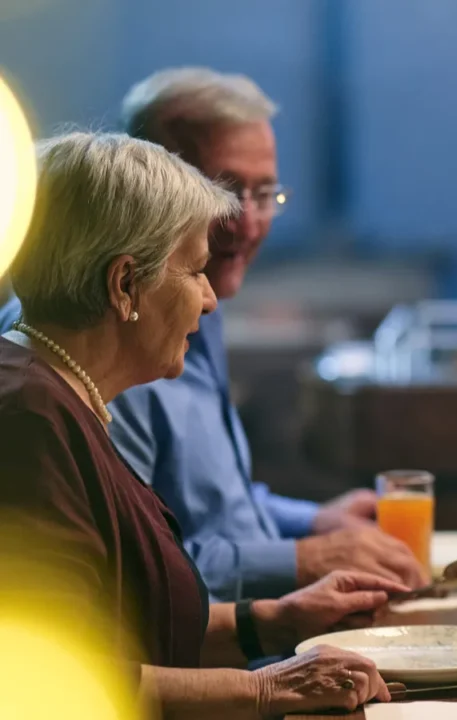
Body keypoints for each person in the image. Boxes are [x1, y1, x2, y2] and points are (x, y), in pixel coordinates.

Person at [0, 131, 406, 716]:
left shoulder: (59, 394)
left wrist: (273, 620)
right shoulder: (28, 420)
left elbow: (134, 629)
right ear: (124, 285)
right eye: (194, 271)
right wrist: (266, 688)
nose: (210, 299)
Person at [0, 67, 423, 601]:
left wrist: (316, 522)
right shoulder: (93, 351)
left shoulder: (183, 316)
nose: (246, 223)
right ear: (155, 178)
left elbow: (214, 506)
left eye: (264, 193)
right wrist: (299, 572)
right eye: (223, 190)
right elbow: (142, 578)